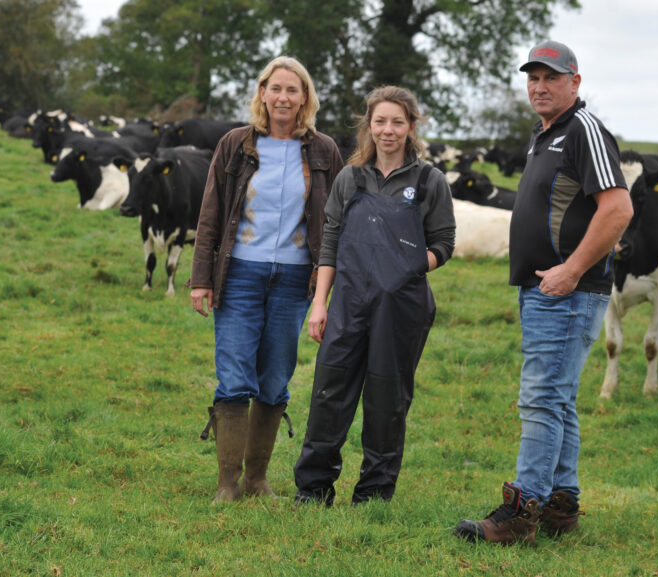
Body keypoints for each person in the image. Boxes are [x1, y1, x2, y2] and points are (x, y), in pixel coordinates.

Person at [453, 40, 633, 545]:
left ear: (575, 83)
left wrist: (572, 271)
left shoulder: (584, 130)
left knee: (540, 400)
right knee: (558, 400)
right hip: (544, 290)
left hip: (567, 293)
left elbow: (618, 210)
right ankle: (560, 504)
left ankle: (519, 511)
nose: (540, 86)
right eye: (533, 77)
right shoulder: (545, 134)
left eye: (551, 77)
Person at [190, 56, 344, 503]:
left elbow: (334, 221)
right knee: (235, 376)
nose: (283, 97)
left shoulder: (323, 151)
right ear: (262, 93)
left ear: (305, 98)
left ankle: (257, 480)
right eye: (275, 88)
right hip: (238, 273)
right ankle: (227, 483)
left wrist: (327, 286)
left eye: (292, 90)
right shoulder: (235, 144)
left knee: (275, 379)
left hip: (296, 278)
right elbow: (210, 213)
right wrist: (201, 278)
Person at [293, 86, 456, 506]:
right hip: (348, 302)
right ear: (369, 125)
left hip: (401, 308)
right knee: (329, 393)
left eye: (397, 122)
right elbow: (330, 240)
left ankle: (373, 494)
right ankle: (313, 489)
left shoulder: (428, 181)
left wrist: (408, 267)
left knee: (387, 400)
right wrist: (319, 303)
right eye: (380, 121)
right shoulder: (351, 178)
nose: (388, 130)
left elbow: (444, 243)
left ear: (412, 127)